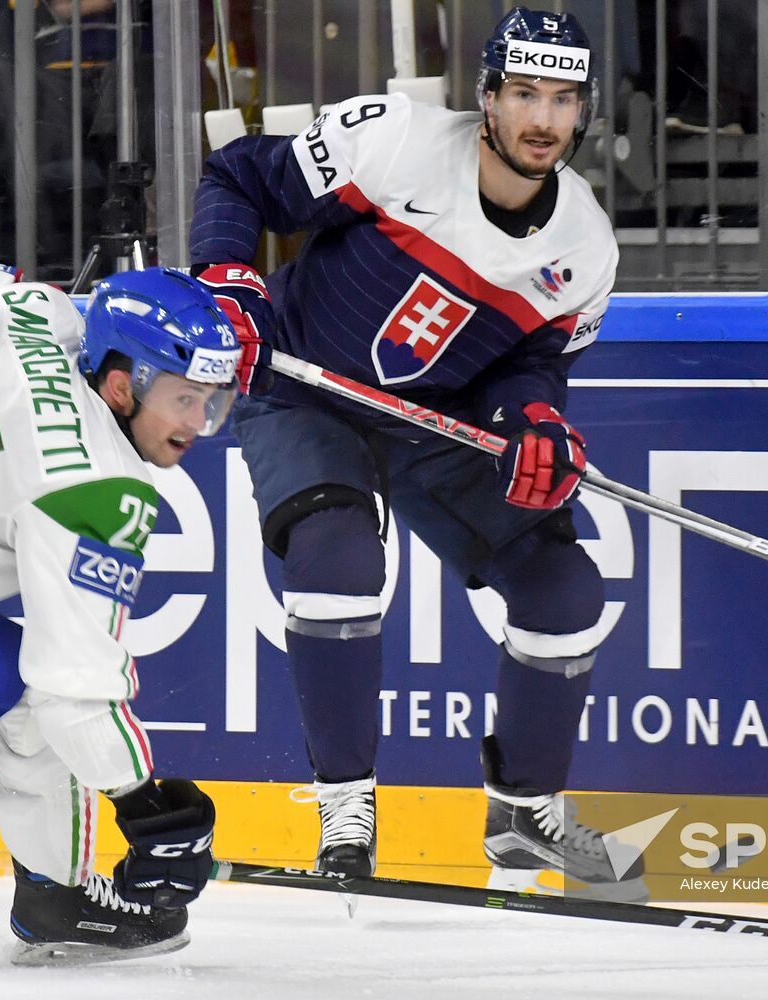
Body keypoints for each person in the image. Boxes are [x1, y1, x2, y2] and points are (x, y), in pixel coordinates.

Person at [188, 7, 645, 899]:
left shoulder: (584, 246)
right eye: (522, 94)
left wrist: (537, 425)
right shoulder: (393, 142)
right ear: (486, 97)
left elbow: (532, 366)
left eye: (560, 99)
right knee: (337, 558)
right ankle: (346, 810)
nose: (541, 119)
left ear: (584, 112)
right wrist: (228, 281)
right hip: (305, 386)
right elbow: (241, 178)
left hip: (436, 423)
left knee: (564, 590)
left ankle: (522, 815)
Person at [0, 254, 240, 965]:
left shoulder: (32, 305)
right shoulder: (92, 485)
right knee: (31, 697)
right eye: (185, 398)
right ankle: (57, 898)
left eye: (214, 400)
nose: (200, 421)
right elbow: (73, 687)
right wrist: (146, 803)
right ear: (121, 386)